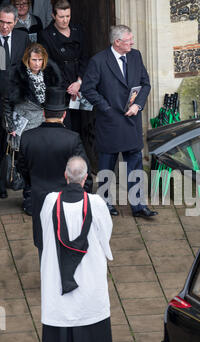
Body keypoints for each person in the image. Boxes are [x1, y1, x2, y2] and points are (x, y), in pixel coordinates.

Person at [40, 156, 114, 342]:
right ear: (85, 179)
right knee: (88, 305)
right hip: (88, 269)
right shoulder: (96, 204)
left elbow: (44, 228)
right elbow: (105, 234)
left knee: (61, 308)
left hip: (58, 271)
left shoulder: (51, 201)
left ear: (65, 176)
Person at [81, 24, 158, 219]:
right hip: (109, 123)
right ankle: (104, 204)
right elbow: (88, 89)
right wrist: (105, 107)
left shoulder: (135, 55)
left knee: (135, 165)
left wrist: (138, 106)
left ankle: (139, 206)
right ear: (117, 42)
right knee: (107, 167)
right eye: (128, 40)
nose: (132, 42)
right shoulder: (98, 61)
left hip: (131, 120)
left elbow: (145, 83)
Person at [17, 86, 93, 253]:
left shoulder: (28, 137)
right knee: (66, 245)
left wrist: (34, 183)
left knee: (44, 246)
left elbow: (22, 168)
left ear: (44, 113)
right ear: (64, 114)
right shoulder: (72, 139)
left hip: (39, 197)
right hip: (66, 200)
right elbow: (83, 172)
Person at [3, 42, 62, 214]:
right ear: (27, 59)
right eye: (34, 60)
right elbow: (7, 102)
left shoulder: (50, 74)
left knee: (45, 161)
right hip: (24, 123)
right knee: (28, 163)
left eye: (40, 60)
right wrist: (10, 126)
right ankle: (29, 199)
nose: (37, 63)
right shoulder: (16, 75)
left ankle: (45, 198)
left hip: (44, 122)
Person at [37, 0, 88, 133]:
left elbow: (84, 57)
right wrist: (68, 87)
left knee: (81, 125)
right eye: (61, 17)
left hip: (79, 85)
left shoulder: (78, 30)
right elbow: (49, 65)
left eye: (68, 16)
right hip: (59, 88)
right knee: (65, 127)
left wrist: (78, 82)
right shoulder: (45, 35)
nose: (65, 20)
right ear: (54, 16)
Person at [0, 3, 29, 199]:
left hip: (15, 100)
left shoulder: (22, 37)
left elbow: (25, 68)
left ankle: (10, 179)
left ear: (15, 22)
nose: (4, 27)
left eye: (9, 23)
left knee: (11, 143)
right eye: (1, 22)